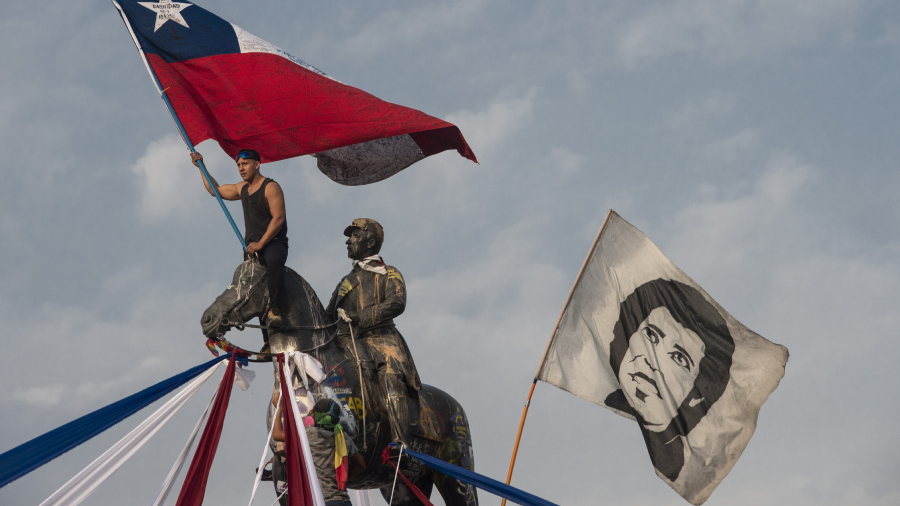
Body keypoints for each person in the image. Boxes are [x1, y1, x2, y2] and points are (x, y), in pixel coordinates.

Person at [604, 278, 736, 481]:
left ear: (696, 398)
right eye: (651, 336)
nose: (653, 362)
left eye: (679, 358)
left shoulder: (678, 466)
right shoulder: (604, 397)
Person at [324, 218, 421, 448]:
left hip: (382, 339)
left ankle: (401, 441)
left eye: (355, 236)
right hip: (348, 342)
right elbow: (327, 317)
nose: (348, 241)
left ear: (370, 242)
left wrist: (360, 317)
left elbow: (397, 302)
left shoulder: (389, 273)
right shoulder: (345, 282)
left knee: (390, 376)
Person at [190, 150, 288, 332]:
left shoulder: (270, 187)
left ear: (257, 165)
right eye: (238, 165)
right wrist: (201, 167)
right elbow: (215, 190)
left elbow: (279, 218)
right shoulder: (242, 188)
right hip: (251, 248)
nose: (241, 169)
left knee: (274, 262)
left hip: (273, 243)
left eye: (245, 164)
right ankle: (267, 338)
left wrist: (261, 243)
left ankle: (275, 308)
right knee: (251, 287)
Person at [271, 394, 365, 506]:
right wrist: (341, 479)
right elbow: (361, 465)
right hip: (344, 501)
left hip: (323, 502)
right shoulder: (342, 437)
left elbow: (277, 435)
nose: (309, 413)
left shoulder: (309, 434)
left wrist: (279, 408)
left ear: (318, 416)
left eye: (313, 411)